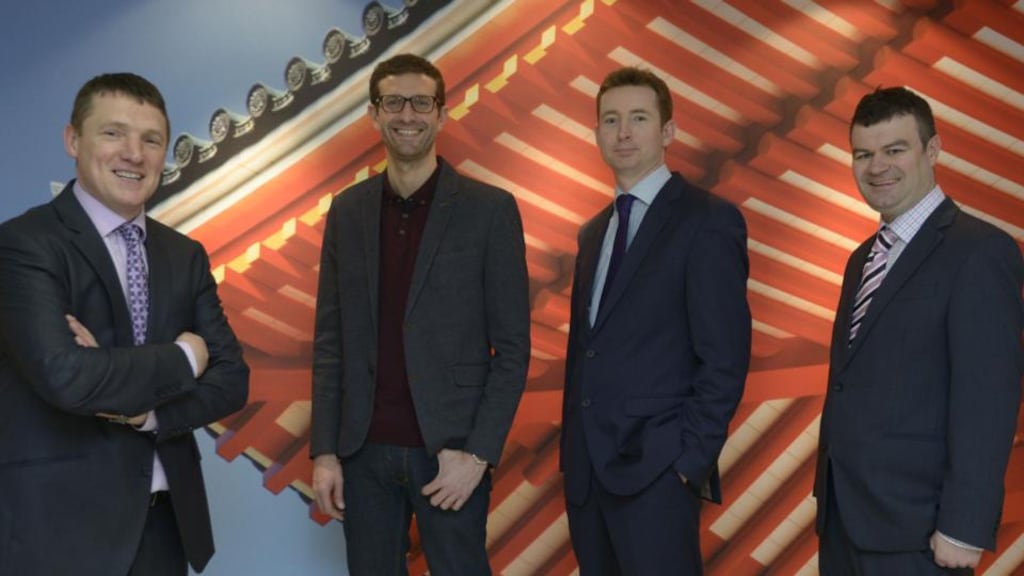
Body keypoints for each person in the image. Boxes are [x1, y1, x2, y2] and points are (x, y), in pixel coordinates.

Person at [0, 73, 249, 576]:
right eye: (113, 133)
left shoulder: (184, 255)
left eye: (151, 139)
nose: (134, 153)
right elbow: (65, 376)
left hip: (165, 522)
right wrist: (183, 358)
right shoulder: (24, 244)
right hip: (60, 528)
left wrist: (144, 413)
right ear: (74, 140)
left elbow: (231, 380)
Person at [310, 53, 530, 575]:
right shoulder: (348, 211)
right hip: (363, 455)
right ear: (374, 114)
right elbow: (330, 344)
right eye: (393, 102)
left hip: (449, 456)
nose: (407, 114)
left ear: (442, 113)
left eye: (421, 102)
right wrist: (325, 453)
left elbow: (513, 350)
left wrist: (477, 455)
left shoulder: (490, 210)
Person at [814, 86, 1023, 575]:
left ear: (932, 150)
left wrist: (964, 526)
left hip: (922, 534)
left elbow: (987, 398)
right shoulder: (860, 260)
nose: (876, 166)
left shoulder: (979, 251)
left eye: (894, 150)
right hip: (844, 520)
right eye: (863, 154)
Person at [560, 66, 752, 574]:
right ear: (597, 132)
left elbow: (725, 356)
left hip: (657, 470)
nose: (623, 132)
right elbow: (588, 353)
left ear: (667, 131)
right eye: (611, 120)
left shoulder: (707, 220)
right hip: (587, 477)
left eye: (639, 118)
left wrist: (688, 463)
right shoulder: (593, 233)